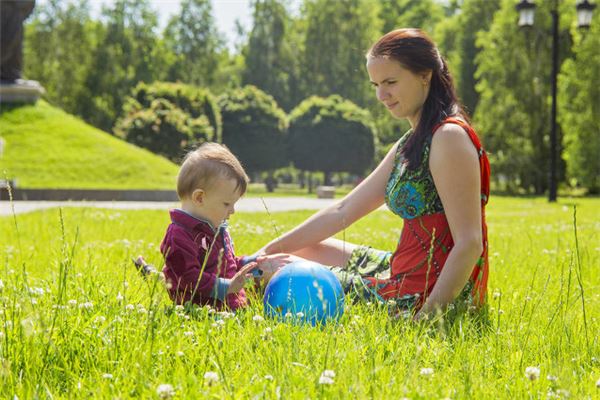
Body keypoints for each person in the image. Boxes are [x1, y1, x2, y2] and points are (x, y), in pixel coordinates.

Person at [257, 28, 491, 320]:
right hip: (402, 270)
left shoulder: (449, 137)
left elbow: (469, 243)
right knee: (301, 250)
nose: (382, 95)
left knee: (277, 271)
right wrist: (264, 250)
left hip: (423, 293)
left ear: (425, 75)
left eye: (391, 82)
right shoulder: (412, 141)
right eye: (376, 85)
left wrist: (427, 317)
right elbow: (344, 209)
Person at [137, 143, 275, 310]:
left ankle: (152, 275)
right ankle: (152, 275)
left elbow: (226, 265)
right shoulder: (179, 235)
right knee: (170, 278)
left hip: (229, 305)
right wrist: (227, 286)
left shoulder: (214, 227)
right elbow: (187, 277)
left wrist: (249, 263)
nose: (232, 211)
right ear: (200, 198)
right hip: (203, 309)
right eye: (226, 204)